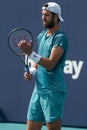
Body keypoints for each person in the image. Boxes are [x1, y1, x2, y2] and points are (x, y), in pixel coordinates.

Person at [18, 2, 68, 130]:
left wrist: (30, 53)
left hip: (53, 92)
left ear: (56, 17)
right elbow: (38, 62)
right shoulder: (41, 36)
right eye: (42, 15)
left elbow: (51, 64)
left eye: (47, 15)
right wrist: (33, 72)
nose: (43, 18)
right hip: (38, 90)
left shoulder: (60, 38)